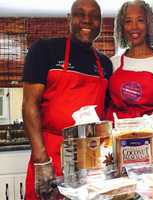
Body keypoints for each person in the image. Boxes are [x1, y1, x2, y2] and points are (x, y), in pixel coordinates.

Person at [22, 0, 113, 199]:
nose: (87, 20)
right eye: (80, 14)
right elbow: (30, 104)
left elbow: (104, 115)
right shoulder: (44, 50)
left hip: (91, 159)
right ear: (69, 19)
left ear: (101, 23)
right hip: (51, 154)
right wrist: (41, 160)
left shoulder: (105, 64)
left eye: (94, 16)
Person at [106, 0, 153, 122]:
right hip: (118, 136)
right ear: (122, 27)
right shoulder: (113, 63)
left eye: (140, 20)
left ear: (148, 24)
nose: (134, 27)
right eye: (128, 21)